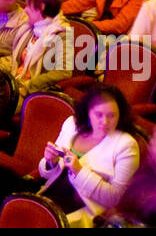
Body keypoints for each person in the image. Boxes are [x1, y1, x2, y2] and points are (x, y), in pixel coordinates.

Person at [37, 83, 140, 227]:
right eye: (98, 115)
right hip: (51, 195)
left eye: (112, 116)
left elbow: (116, 199)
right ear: (88, 112)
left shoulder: (126, 145)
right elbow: (45, 175)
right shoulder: (71, 124)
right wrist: (50, 162)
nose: (105, 122)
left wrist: (79, 171)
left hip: (84, 209)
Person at [10, 0, 76, 91]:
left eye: (28, 6)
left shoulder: (62, 35)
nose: (25, 10)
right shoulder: (30, 28)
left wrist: (29, 85)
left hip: (31, 89)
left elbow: (63, 71)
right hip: (14, 80)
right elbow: (13, 57)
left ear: (41, 7)